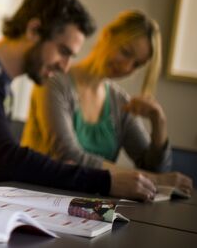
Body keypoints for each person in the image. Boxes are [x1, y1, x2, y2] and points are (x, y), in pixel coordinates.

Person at [0, 0, 159, 201]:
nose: (65, 67)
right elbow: (6, 161)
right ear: (34, 30)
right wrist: (105, 181)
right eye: (63, 52)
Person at [22, 10, 192, 196]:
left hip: (90, 206)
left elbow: (155, 169)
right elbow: (69, 156)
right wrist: (155, 180)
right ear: (106, 35)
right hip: (37, 197)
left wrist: (159, 121)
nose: (127, 67)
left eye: (136, 64)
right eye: (126, 52)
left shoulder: (120, 101)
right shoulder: (53, 82)